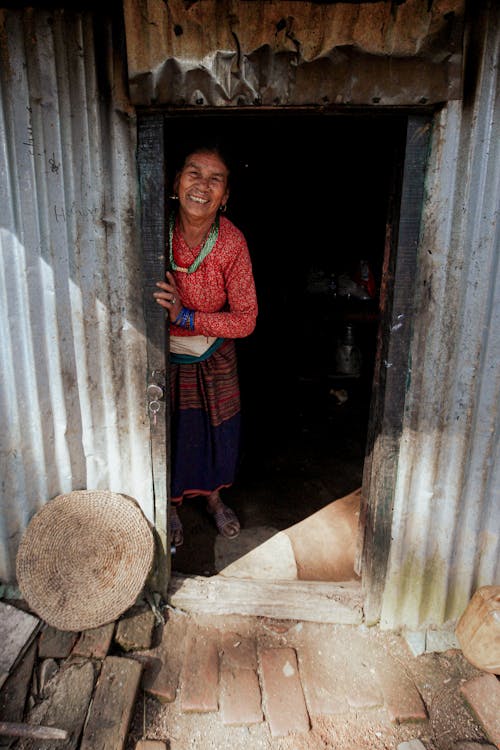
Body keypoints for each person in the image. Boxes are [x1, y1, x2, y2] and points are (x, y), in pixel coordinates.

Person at [153, 145, 258, 548]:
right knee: (174, 433)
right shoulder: (154, 229)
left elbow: (246, 319)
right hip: (162, 355)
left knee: (215, 432)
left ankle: (214, 498)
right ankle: (173, 506)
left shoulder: (231, 243)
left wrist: (186, 316)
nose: (203, 185)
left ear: (226, 196)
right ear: (176, 183)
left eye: (215, 179)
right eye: (193, 174)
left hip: (213, 355)